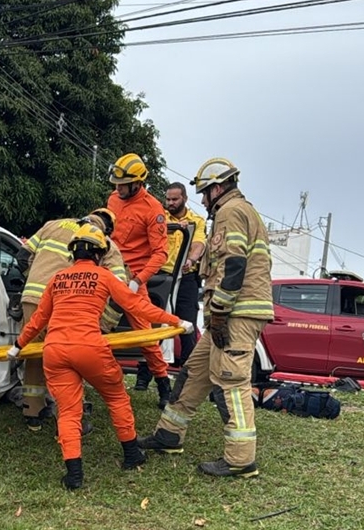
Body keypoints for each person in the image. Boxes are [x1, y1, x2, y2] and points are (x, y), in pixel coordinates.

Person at [8, 223, 194, 490]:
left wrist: (17, 346)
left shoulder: (58, 279)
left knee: (68, 412)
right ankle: (132, 453)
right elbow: (137, 306)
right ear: (99, 253)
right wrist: (176, 321)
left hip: (55, 351)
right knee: (116, 398)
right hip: (89, 348)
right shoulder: (103, 276)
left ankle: (74, 475)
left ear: (73, 252)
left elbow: (38, 319)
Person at [140, 158, 274, 478]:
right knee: (193, 373)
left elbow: (233, 266)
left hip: (236, 313)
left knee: (230, 382)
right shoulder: (239, 211)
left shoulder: (231, 212)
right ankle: (169, 434)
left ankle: (240, 459)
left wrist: (221, 312)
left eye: (204, 192)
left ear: (218, 188)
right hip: (229, 314)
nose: (201, 200)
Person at [15, 208, 128, 433]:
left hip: (32, 300)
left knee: (35, 355)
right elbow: (119, 289)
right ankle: (71, 418)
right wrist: (104, 325)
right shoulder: (104, 242)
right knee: (70, 358)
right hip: (66, 305)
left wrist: (35, 281)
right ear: (108, 229)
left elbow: (21, 257)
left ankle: (32, 412)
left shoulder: (52, 225)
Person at [105, 152, 173, 407]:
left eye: (123, 184)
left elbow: (160, 253)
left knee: (145, 336)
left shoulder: (153, 209)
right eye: (116, 184)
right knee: (93, 327)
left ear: (137, 183)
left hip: (133, 278)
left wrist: (138, 280)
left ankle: (164, 385)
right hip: (107, 273)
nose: (118, 188)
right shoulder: (113, 199)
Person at [162, 182, 207, 367]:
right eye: (168, 199)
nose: (170, 203)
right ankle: (144, 374)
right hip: (161, 276)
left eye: (174, 199)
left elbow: (199, 243)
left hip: (186, 277)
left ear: (185, 198)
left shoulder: (196, 220)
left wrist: (191, 259)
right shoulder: (160, 217)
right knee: (152, 326)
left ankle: (187, 373)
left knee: (187, 326)